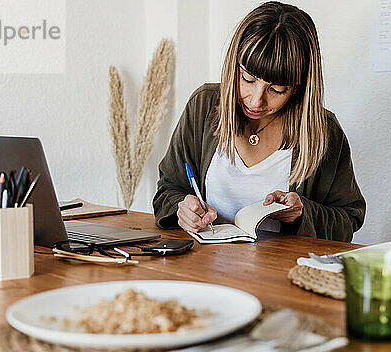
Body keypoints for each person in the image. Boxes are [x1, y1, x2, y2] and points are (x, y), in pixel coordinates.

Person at [153, 1, 365, 242]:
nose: (255, 101)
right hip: (202, 267)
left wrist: (302, 213)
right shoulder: (203, 106)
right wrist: (182, 208)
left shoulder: (324, 131)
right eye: (247, 79)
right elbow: (168, 189)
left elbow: (349, 218)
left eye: (276, 89)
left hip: (279, 272)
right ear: (234, 66)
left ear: (298, 87)